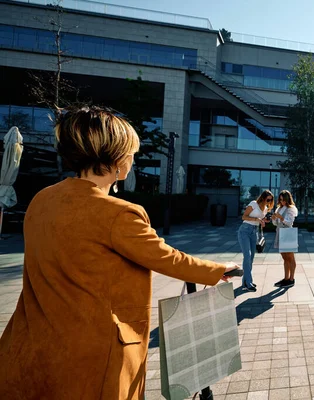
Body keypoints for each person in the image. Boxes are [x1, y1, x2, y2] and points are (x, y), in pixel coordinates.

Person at [0, 106, 240, 400]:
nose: (133, 160)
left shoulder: (42, 200)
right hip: (93, 357)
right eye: (131, 153)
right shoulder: (118, 213)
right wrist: (219, 269)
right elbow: (166, 257)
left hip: (30, 344)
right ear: (114, 158)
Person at [238, 190, 274, 292]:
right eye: (268, 199)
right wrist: (257, 219)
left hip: (254, 233)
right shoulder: (253, 204)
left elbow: (261, 221)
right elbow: (244, 217)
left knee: (251, 257)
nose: (269, 202)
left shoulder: (265, 209)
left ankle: (246, 281)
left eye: (270, 200)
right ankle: (248, 282)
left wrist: (264, 221)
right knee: (247, 255)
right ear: (263, 198)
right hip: (244, 231)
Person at [272, 190, 298, 288]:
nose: (282, 202)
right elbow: (275, 223)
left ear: (287, 199)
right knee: (284, 257)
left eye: (283, 200)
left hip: (288, 233)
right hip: (279, 232)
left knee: (290, 257)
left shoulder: (291, 209)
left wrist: (281, 218)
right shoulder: (279, 208)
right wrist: (274, 219)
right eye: (280, 200)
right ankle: (286, 278)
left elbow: (289, 222)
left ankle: (291, 279)